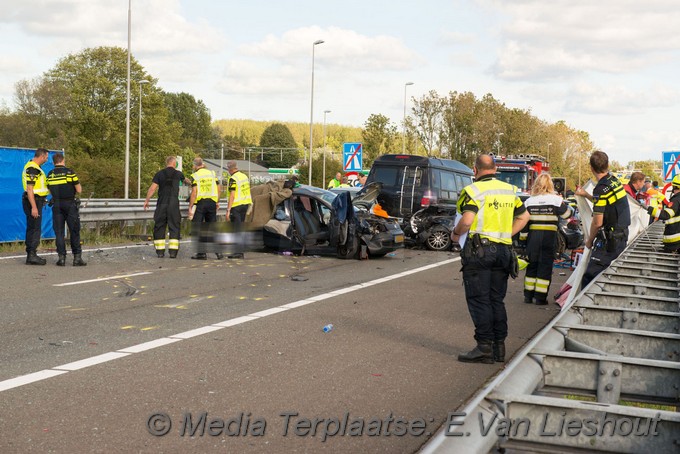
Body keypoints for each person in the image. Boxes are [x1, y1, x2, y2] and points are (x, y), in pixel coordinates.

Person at [451, 154, 530, 364]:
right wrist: (506, 234)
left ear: (475, 170)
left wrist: (456, 233)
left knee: (479, 299)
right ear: (495, 169)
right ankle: (499, 348)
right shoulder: (508, 190)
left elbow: (466, 221)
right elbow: (524, 217)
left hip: (480, 251)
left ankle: (484, 347)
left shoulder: (473, 191)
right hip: (504, 251)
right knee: (496, 300)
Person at [575, 150, 630, 288]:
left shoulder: (600, 188)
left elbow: (597, 222)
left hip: (610, 241)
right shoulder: (614, 181)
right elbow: (605, 203)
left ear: (591, 168)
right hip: (621, 236)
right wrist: (586, 195)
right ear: (608, 164)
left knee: (590, 278)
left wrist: (589, 241)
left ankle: (585, 309)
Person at [522, 174, 572, 305]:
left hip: (533, 238)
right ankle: (540, 298)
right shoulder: (555, 200)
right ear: (550, 185)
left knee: (532, 266)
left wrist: (523, 242)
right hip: (548, 238)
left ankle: (528, 296)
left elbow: (524, 224)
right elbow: (567, 214)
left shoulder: (529, 201)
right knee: (545, 267)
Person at [46, 153, 86, 266]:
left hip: (57, 205)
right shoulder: (70, 172)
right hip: (69, 204)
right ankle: (77, 258)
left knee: (59, 233)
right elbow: (79, 190)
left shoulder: (50, 174)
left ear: (54, 162)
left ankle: (61, 258)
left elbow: (49, 190)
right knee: (74, 231)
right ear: (63, 160)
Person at [144, 156, 186, 258]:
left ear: (166, 163)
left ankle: (160, 252)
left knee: (159, 226)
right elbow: (187, 182)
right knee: (174, 227)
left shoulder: (159, 174)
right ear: (174, 163)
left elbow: (152, 188)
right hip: (173, 204)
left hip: (162, 203)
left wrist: (147, 200)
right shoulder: (179, 174)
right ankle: (173, 253)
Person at [188, 157, 223, 260]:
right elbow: (219, 189)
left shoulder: (195, 175)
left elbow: (194, 192)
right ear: (202, 164)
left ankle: (201, 253)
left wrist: (190, 206)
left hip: (201, 204)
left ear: (195, 165)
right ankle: (219, 252)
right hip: (212, 203)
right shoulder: (212, 173)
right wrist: (216, 201)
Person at [22, 148, 50, 265]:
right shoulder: (33, 168)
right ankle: (32, 255)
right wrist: (34, 207)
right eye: (46, 157)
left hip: (36, 200)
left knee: (32, 227)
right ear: (42, 156)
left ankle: (31, 253)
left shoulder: (35, 167)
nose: (47, 159)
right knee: (35, 228)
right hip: (33, 201)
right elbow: (30, 189)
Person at [225, 160, 252, 259]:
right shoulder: (244, 176)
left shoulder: (233, 178)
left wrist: (228, 210)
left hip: (236, 206)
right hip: (245, 204)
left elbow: (232, 195)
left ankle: (237, 252)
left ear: (229, 169)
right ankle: (240, 251)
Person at [647, 175, 680, 252]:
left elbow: (666, 215)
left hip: (674, 239)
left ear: (675, 187)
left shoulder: (676, 200)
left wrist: (649, 209)